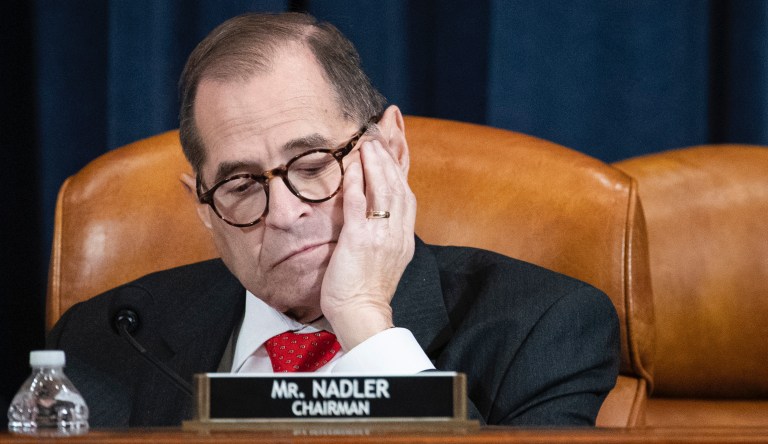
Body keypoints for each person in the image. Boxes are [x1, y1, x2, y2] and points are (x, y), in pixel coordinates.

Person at [47, 12, 620, 427]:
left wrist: (365, 321)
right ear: (204, 207)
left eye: (314, 163)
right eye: (241, 184)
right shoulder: (105, 340)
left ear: (391, 148)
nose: (285, 212)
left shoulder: (543, 328)